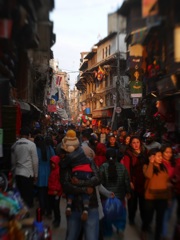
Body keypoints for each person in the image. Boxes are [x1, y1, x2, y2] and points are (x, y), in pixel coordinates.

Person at [60, 140, 101, 240]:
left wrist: (79, 183)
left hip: (91, 206)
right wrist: (85, 189)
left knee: (91, 237)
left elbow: (97, 179)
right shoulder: (66, 165)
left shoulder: (89, 161)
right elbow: (66, 185)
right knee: (72, 236)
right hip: (73, 207)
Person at [60, 129, 95, 221]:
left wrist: (62, 160)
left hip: (77, 172)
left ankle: (68, 206)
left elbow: (63, 166)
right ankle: (86, 210)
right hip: (87, 172)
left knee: (72, 186)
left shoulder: (70, 156)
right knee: (85, 192)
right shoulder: (81, 151)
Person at [99, 148, 131, 238]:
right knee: (121, 214)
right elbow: (126, 181)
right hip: (120, 196)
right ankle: (120, 228)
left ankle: (108, 233)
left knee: (107, 215)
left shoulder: (102, 167)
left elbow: (100, 183)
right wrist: (128, 191)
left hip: (106, 197)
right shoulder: (122, 167)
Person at [141, 148, 169, 240]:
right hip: (150, 197)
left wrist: (168, 197)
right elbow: (148, 176)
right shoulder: (147, 166)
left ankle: (158, 236)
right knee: (148, 218)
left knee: (160, 219)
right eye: (158, 156)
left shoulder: (163, 167)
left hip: (162, 197)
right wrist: (151, 163)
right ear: (152, 157)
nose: (161, 158)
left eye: (161, 156)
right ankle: (144, 230)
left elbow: (165, 182)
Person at [121, 135, 147, 225]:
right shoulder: (128, 154)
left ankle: (145, 222)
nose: (136, 144)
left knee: (144, 204)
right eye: (134, 143)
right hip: (133, 181)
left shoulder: (145, 152)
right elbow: (127, 168)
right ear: (130, 144)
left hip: (143, 182)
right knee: (132, 204)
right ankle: (131, 219)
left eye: (137, 142)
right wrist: (129, 182)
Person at [11, 127, 38, 208]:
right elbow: (35, 161)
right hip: (27, 174)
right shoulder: (32, 145)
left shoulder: (14, 145)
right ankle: (26, 212)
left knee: (19, 195)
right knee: (27, 195)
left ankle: (20, 211)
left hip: (18, 173)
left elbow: (13, 162)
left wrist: (13, 174)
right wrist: (36, 175)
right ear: (28, 135)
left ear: (20, 134)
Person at [34, 135, 55, 217]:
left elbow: (36, 162)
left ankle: (42, 210)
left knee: (41, 193)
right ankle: (48, 210)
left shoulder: (37, 149)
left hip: (40, 172)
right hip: (48, 172)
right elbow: (54, 159)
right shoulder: (49, 148)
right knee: (48, 193)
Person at [161, 144, 176, 240]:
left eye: (170, 152)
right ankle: (164, 234)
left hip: (173, 191)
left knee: (169, 213)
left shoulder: (174, 163)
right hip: (163, 192)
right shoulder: (160, 162)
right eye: (166, 152)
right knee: (165, 214)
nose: (168, 154)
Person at [48, 155, 62, 228]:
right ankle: (56, 219)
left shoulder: (58, 171)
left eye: (53, 163)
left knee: (56, 207)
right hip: (52, 191)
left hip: (56, 192)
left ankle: (58, 220)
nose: (52, 164)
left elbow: (60, 182)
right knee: (54, 206)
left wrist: (57, 190)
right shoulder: (53, 171)